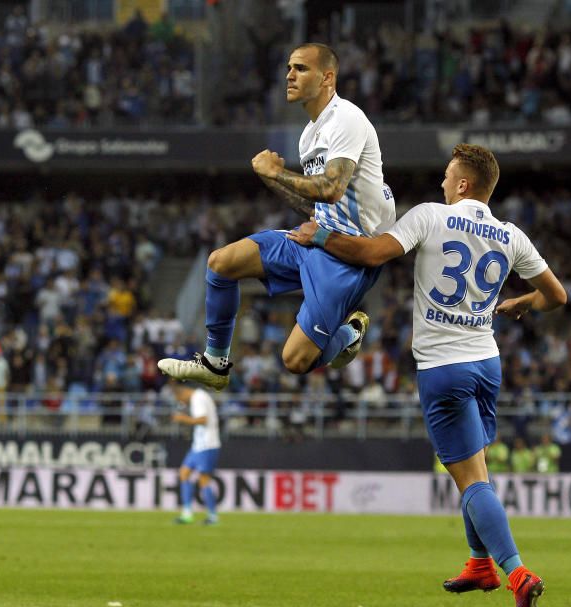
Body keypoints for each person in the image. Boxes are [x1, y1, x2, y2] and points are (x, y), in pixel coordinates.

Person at [288, 143, 567, 607]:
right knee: (473, 467)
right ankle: (479, 565)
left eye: (446, 175)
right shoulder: (511, 235)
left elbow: (375, 251)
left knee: (471, 482)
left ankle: (518, 573)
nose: (441, 182)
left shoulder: (432, 217)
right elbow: (557, 296)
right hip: (487, 363)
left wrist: (321, 236)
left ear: (462, 184)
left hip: (443, 368)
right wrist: (523, 300)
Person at [158, 42, 395, 391]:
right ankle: (215, 363)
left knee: (295, 361)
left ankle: (348, 333)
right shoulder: (308, 135)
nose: (289, 75)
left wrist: (278, 173)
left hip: (349, 254)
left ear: (328, 77)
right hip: (315, 235)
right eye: (288, 67)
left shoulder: (346, 118)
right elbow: (317, 204)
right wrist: (272, 178)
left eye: (301, 68)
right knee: (221, 263)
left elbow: (331, 188)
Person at [169, 380, 222, 525]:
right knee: (184, 473)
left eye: (180, 400)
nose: (182, 403)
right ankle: (187, 514)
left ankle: (212, 516)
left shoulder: (197, 398)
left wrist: (182, 418)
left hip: (207, 444)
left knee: (204, 479)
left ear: (183, 393)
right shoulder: (200, 396)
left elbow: (203, 420)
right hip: (198, 445)